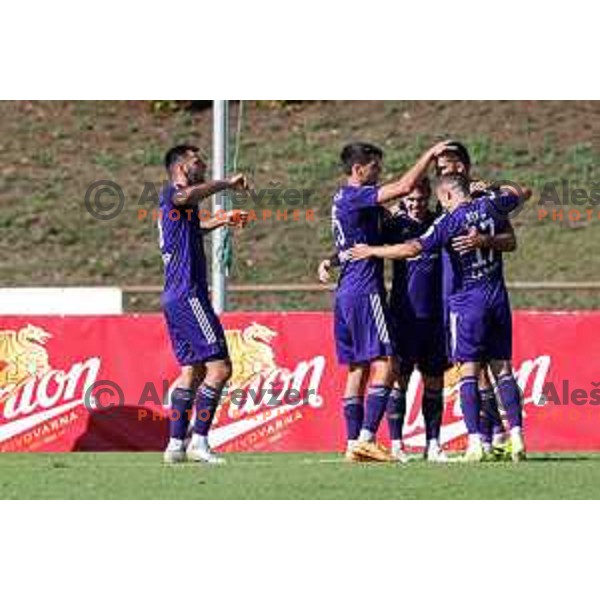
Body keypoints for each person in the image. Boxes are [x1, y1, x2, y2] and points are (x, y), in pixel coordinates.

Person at [351, 173, 530, 462]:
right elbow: (523, 192)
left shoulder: (449, 221)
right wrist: (494, 189)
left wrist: (371, 250)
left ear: (446, 196)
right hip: (497, 297)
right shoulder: (491, 206)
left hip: (467, 302)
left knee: (468, 372)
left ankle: (475, 444)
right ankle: (518, 437)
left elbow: (412, 248)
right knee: (503, 371)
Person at [330, 140, 453, 462]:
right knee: (386, 363)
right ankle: (368, 437)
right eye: (375, 167)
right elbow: (404, 186)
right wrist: (429, 153)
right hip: (364, 289)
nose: (379, 173)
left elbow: (352, 244)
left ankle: (352, 442)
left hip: (346, 291)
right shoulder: (356, 195)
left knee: (358, 368)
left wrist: (329, 261)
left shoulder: (345, 201)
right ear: (358, 169)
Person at [159, 144, 249, 464]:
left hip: (173, 296)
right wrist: (226, 184)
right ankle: (199, 440)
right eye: (199, 161)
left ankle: (174, 445)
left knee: (192, 370)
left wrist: (221, 219)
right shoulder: (174, 193)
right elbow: (187, 197)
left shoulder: (177, 204)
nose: (204, 166)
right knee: (221, 368)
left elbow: (192, 230)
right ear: (182, 167)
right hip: (188, 293)